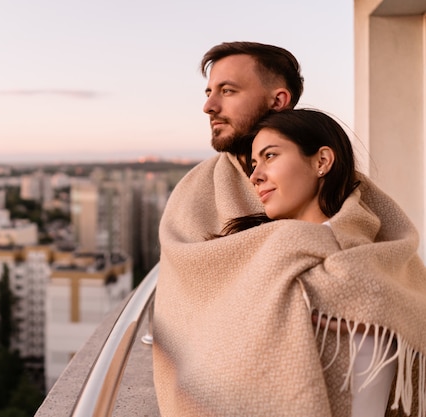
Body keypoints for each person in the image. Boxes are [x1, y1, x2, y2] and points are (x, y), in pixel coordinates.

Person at [152, 42, 426, 417]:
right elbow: (189, 295)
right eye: (209, 92)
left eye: (227, 91)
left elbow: (384, 259)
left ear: (279, 99)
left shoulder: (354, 198)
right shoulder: (194, 196)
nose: (209, 106)